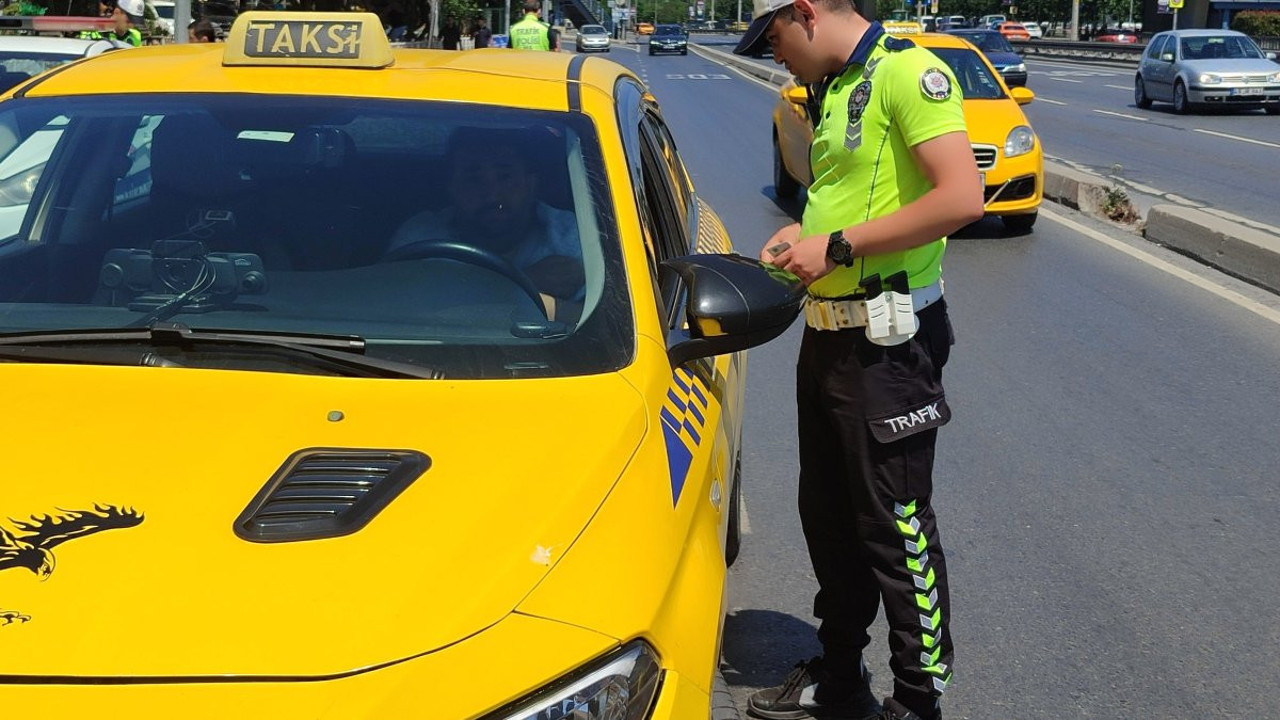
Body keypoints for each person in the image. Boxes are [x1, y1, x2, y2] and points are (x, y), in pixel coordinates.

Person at [733, 0, 984, 719]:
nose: (772, 53)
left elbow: (961, 195)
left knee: (895, 526)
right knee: (831, 519)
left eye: (774, 37)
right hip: (830, 336)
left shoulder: (911, 72)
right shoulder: (838, 86)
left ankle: (917, 699)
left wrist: (838, 246)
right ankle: (840, 677)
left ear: (806, 13)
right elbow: (850, 195)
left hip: (889, 342)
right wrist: (803, 232)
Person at [383, 127, 584, 314]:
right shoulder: (421, 238)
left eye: (505, 177)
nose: (492, 195)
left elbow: (599, 322)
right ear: (451, 187)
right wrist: (526, 283)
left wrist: (463, 300)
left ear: (530, 184)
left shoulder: (572, 235)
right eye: (474, 179)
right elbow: (392, 308)